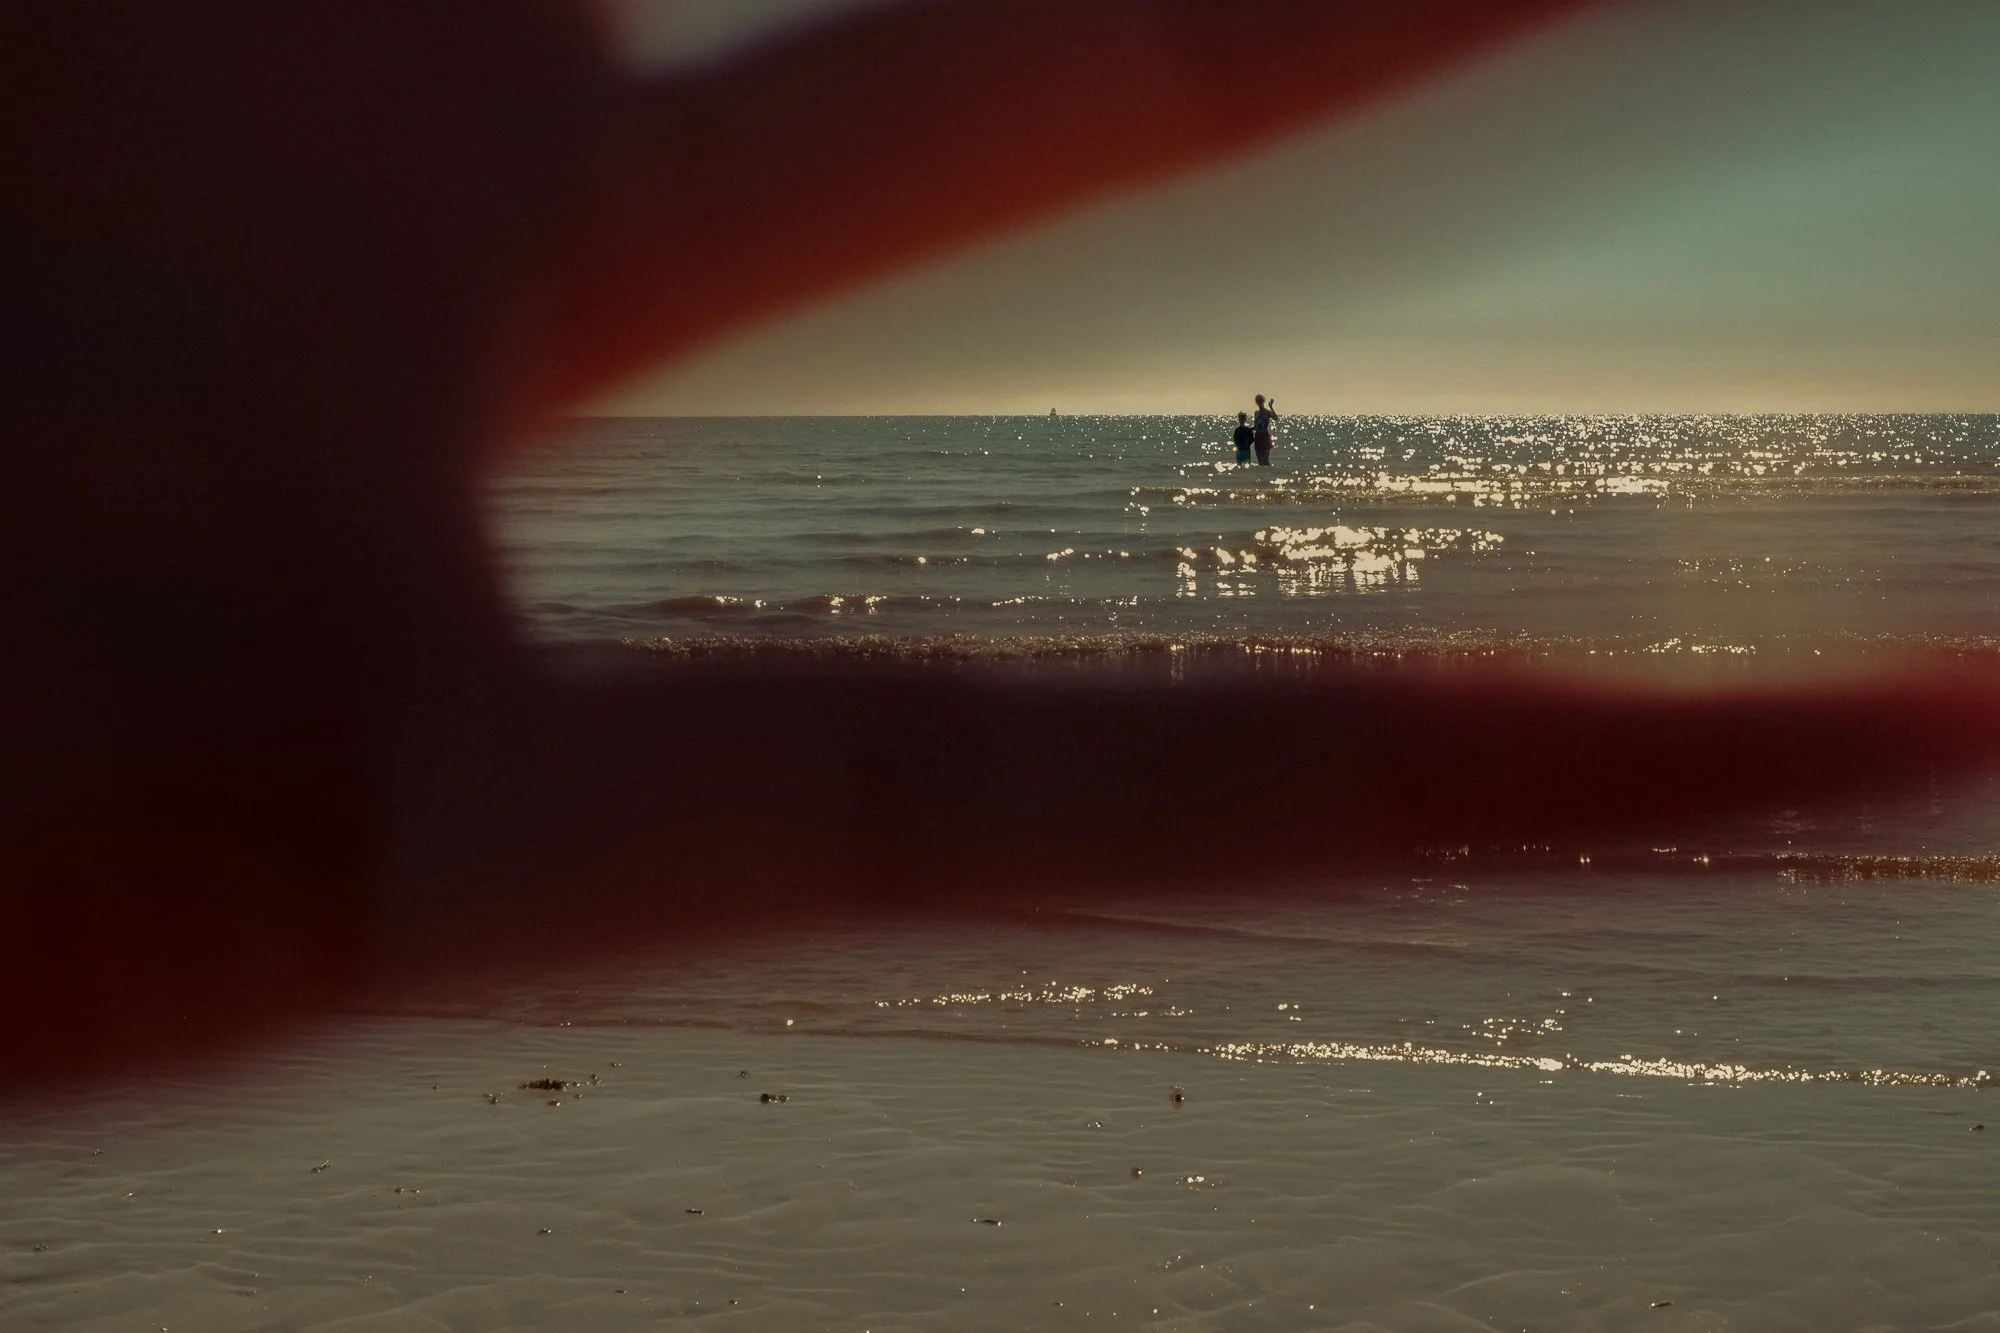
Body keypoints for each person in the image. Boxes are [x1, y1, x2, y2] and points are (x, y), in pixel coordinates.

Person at [1253, 394, 1279, 464]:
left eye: (1260, 400)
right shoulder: (1256, 413)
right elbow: (1255, 426)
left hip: (1265, 435)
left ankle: (1267, 471)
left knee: (1266, 459)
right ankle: (1261, 471)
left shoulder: (1267, 412)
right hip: (1258, 436)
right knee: (1260, 460)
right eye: (1258, 401)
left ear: (1263, 401)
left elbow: (1276, 418)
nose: (1259, 402)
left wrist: (1271, 407)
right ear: (1256, 402)